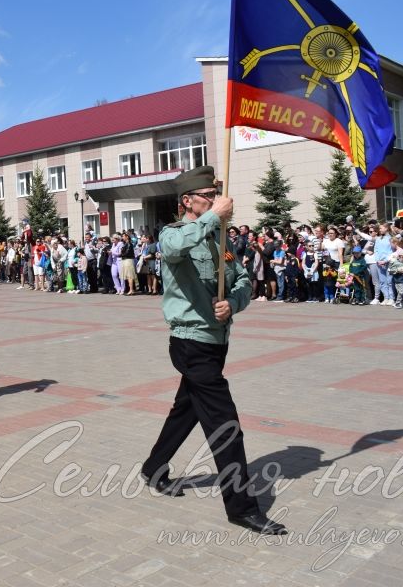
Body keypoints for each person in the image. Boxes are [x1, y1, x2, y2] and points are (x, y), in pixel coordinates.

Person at [139, 166, 286, 536]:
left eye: (217, 194)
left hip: (216, 339)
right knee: (225, 425)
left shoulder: (219, 239)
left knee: (185, 410)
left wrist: (232, 304)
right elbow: (173, 248)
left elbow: (241, 281)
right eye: (208, 194)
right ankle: (241, 506)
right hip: (191, 341)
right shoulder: (175, 233)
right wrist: (213, 217)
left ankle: (153, 468)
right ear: (187, 201)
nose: (218, 200)